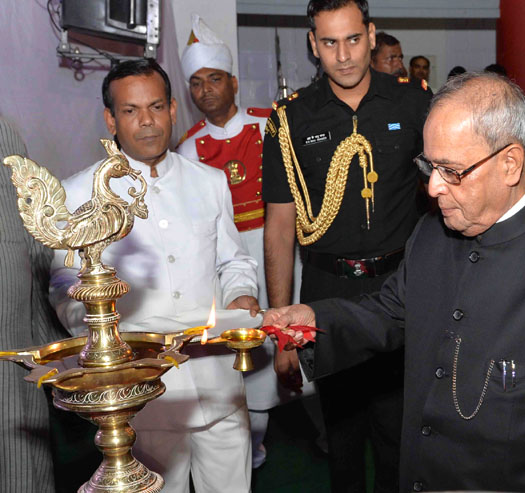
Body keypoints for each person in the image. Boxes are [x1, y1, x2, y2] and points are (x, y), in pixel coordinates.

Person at [266, 71, 525, 492]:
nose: (432, 187)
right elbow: (389, 312)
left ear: (510, 163)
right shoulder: (432, 232)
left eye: (451, 171)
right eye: (428, 165)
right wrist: (308, 321)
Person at [49, 59, 258, 493]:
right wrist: (103, 345)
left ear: (174, 109)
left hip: (220, 386)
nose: (147, 121)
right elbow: (64, 289)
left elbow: (233, 262)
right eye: (130, 110)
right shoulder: (78, 193)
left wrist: (241, 295)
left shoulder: (210, 181)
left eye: (156, 106)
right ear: (111, 119)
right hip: (143, 398)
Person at [262, 1, 432, 491]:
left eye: (353, 39)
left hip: (400, 287)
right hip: (325, 293)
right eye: (330, 43)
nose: (343, 55)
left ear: (372, 35)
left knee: (399, 435)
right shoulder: (290, 120)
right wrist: (282, 329)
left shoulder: (414, 104)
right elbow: (280, 225)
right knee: (342, 441)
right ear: (313, 45)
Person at [176, 13, 309, 470]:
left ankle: (327, 425)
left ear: (233, 82)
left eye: (214, 79)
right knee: (247, 352)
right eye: (196, 83)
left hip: (280, 247)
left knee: (299, 334)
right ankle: (251, 450)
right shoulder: (189, 148)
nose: (206, 90)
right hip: (229, 261)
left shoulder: (268, 122)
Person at [0, 117, 67, 493]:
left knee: (18, 464)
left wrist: (49, 349)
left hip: (7, 345)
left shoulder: (2, 133)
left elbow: (32, 238)